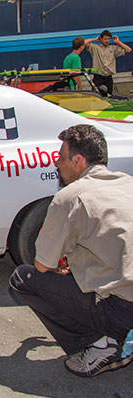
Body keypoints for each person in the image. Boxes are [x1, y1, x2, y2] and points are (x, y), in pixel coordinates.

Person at [9, 124, 133, 378]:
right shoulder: (128, 183)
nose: (57, 164)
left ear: (78, 161)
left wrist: (60, 264)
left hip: (122, 312)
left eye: (61, 158)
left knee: (24, 279)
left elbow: (43, 265)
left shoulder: (70, 197)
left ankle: (100, 345)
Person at [85, 30, 131, 95]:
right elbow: (83, 43)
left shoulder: (113, 48)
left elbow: (128, 50)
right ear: (101, 38)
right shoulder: (95, 48)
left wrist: (118, 42)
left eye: (108, 39)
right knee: (97, 96)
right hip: (98, 77)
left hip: (108, 77)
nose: (107, 41)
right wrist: (95, 39)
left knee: (109, 96)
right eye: (105, 39)